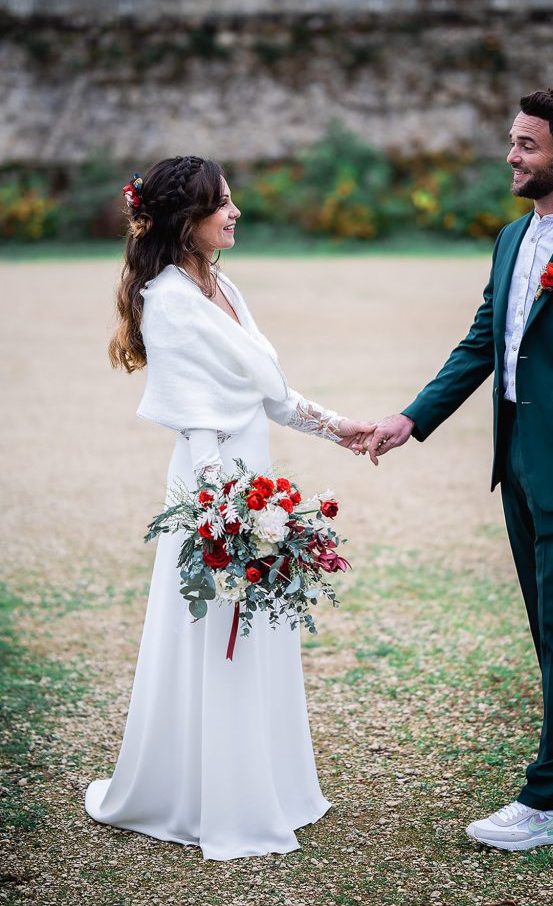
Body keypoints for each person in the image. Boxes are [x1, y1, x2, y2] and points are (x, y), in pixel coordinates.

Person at [364, 89, 553, 851]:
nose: (510, 156)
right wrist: (410, 418)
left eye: (526, 144)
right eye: (512, 141)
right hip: (516, 455)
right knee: (548, 622)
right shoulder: (510, 238)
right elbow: (482, 340)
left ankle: (547, 799)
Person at [85, 155, 374, 861]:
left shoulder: (220, 284)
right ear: (187, 220)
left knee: (257, 629)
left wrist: (341, 429)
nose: (235, 211)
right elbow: (197, 423)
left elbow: (267, 393)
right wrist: (226, 516)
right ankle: (213, 798)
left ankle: (266, 783)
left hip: (254, 480)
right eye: (222, 203)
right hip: (215, 491)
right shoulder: (168, 300)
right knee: (217, 629)